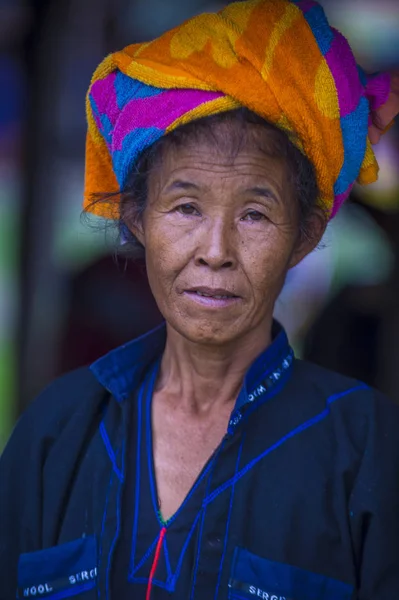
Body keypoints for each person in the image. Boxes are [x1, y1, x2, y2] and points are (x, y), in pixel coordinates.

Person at [1, 1, 399, 598]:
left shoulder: (367, 449)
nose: (215, 250)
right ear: (136, 218)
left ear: (306, 235)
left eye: (256, 214)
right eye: (186, 207)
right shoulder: (55, 431)